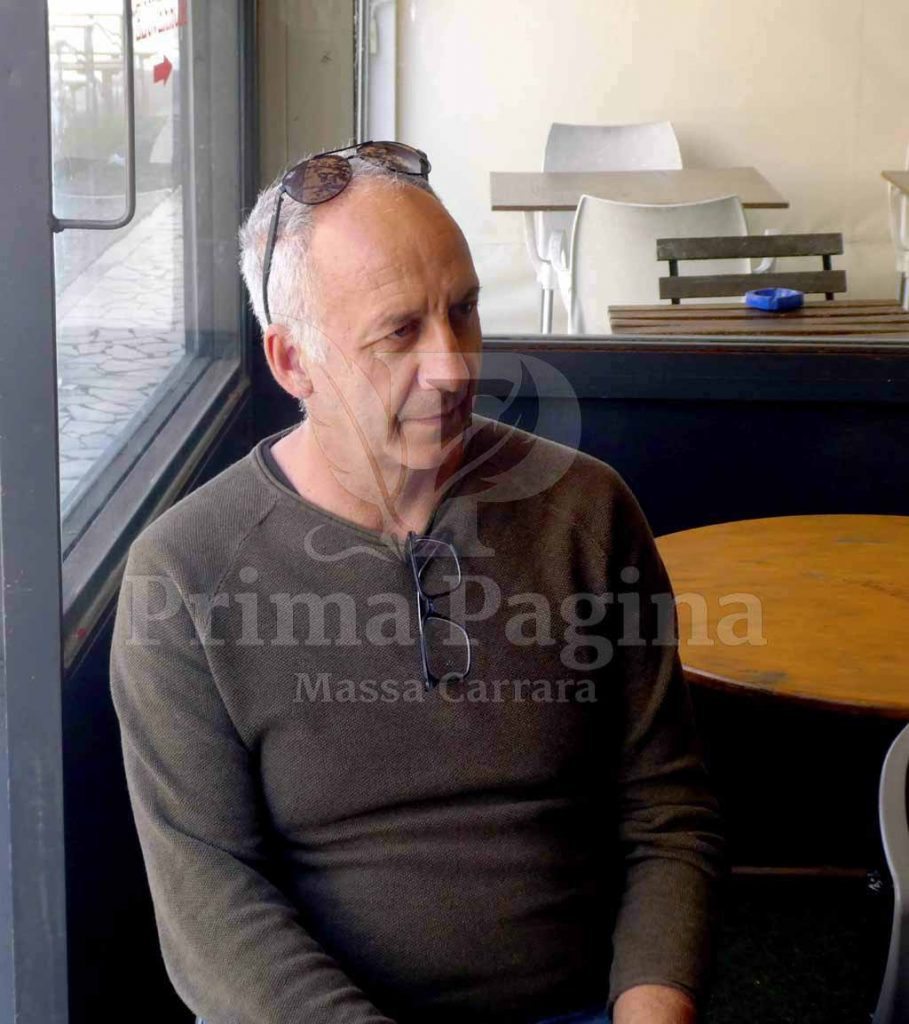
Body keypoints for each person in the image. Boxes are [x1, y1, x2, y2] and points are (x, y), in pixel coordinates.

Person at [109, 142, 725, 1024]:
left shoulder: (584, 510)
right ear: (292, 362)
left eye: (463, 310)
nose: (455, 366)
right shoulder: (186, 571)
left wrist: (652, 1007)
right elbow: (211, 900)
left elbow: (666, 811)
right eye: (399, 332)